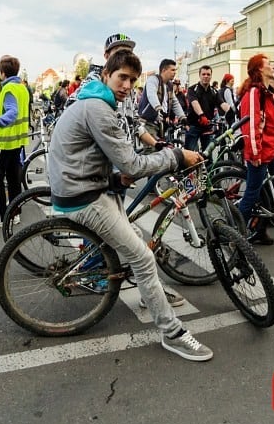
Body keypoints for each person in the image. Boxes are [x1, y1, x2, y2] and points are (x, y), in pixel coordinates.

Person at [48, 48, 211, 362]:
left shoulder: (98, 100)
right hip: (83, 195)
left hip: (86, 184)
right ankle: (172, 333)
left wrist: (117, 175)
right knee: (144, 257)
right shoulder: (98, 107)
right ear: (107, 74)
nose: (127, 85)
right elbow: (133, 165)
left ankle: (152, 296)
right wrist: (177, 157)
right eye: (122, 77)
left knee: (134, 239)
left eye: (133, 80)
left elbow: (107, 154)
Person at [236, 54, 274, 245]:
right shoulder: (255, 93)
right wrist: (255, 153)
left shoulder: (269, 93)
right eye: (268, 64)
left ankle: (259, 230)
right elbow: (251, 126)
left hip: (270, 152)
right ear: (259, 70)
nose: (272, 67)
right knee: (251, 194)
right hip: (260, 153)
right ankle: (236, 234)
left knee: (266, 196)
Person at [0, 55, 30, 228]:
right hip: (17, 142)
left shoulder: (9, 88)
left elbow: (12, 112)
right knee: (13, 180)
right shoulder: (22, 88)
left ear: (2, 73)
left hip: (2, 142)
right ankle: (15, 214)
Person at [137, 58, 185, 145]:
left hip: (160, 123)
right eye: (172, 70)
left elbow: (174, 102)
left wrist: (182, 117)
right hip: (148, 122)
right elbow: (152, 95)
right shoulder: (153, 80)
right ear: (164, 70)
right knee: (151, 150)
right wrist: (159, 109)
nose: (175, 72)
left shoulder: (169, 85)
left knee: (161, 149)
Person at [185, 65, 229, 151]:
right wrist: (201, 115)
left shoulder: (214, 91)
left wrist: (231, 111)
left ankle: (207, 163)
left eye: (208, 74)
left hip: (207, 127)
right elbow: (195, 103)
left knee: (208, 155)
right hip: (194, 125)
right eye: (203, 74)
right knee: (190, 154)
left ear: (211, 76)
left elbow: (222, 104)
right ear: (200, 75)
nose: (206, 76)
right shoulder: (192, 89)